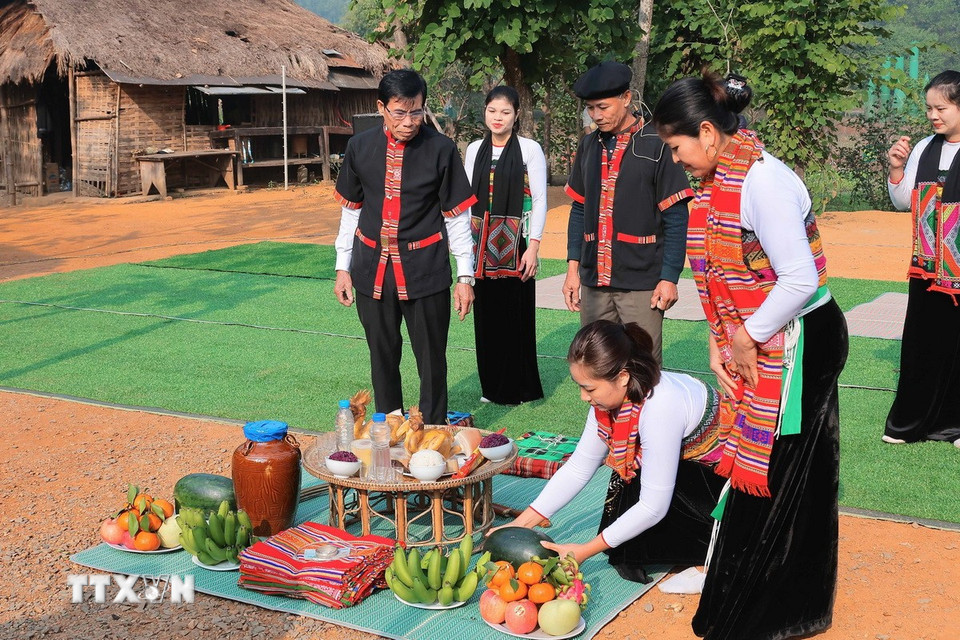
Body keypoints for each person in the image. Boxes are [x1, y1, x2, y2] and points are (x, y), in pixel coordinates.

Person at [652, 72, 849, 640]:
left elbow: (799, 279)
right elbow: (720, 275)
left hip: (800, 339)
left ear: (707, 133)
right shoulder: (722, 179)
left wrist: (744, 337)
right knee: (775, 466)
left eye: (677, 147)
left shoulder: (763, 182)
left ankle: (776, 609)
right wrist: (721, 339)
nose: (676, 160)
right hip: (768, 334)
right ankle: (760, 591)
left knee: (783, 471)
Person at [498, 320, 727, 583]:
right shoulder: (612, 399)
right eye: (580, 386)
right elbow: (578, 468)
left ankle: (707, 553)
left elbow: (654, 506)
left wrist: (584, 551)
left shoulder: (661, 407)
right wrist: (520, 525)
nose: (583, 397)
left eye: (589, 388)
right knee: (624, 483)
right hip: (685, 471)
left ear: (622, 377)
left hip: (719, 488)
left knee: (629, 486)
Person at [333, 69, 478, 425]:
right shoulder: (359, 147)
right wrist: (342, 268)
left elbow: (457, 217)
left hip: (425, 269)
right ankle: (389, 428)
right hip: (371, 269)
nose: (409, 122)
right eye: (400, 112)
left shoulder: (441, 149)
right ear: (381, 107)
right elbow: (351, 211)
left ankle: (433, 431)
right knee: (381, 354)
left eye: (416, 112)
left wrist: (465, 277)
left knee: (431, 358)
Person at [562, 60, 693, 364]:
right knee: (596, 364)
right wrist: (572, 270)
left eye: (603, 107)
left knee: (642, 366)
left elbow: (676, 217)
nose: (596, 115)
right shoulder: (588, 146)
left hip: (643, 283)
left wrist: (669, 277)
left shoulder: (658, 143)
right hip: (594, 281)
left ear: (626, 98)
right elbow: (579, 209)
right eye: (590, 109)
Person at [884, 70, 960, 448]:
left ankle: (955, 424)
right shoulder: (924, 148)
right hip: (927, 268)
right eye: (929, 108)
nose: (933, 116)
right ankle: (910, 422)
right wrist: (897, 168)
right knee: (922, 343)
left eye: (941, 108)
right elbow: (904, 202)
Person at [463, 86, 546, 405]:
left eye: (505, 112)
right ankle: (491, 387)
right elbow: (467, 199)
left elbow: (539, 200)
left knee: (515, 315)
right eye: (492, 111)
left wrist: (533, 247)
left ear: (517, 115)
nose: (498, 118)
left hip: (516, 243)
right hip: (480, 244)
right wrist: (466, 249)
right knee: (487, 317)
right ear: (485, 112)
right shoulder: (474, 149)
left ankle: (519, 387)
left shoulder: (529, 149)